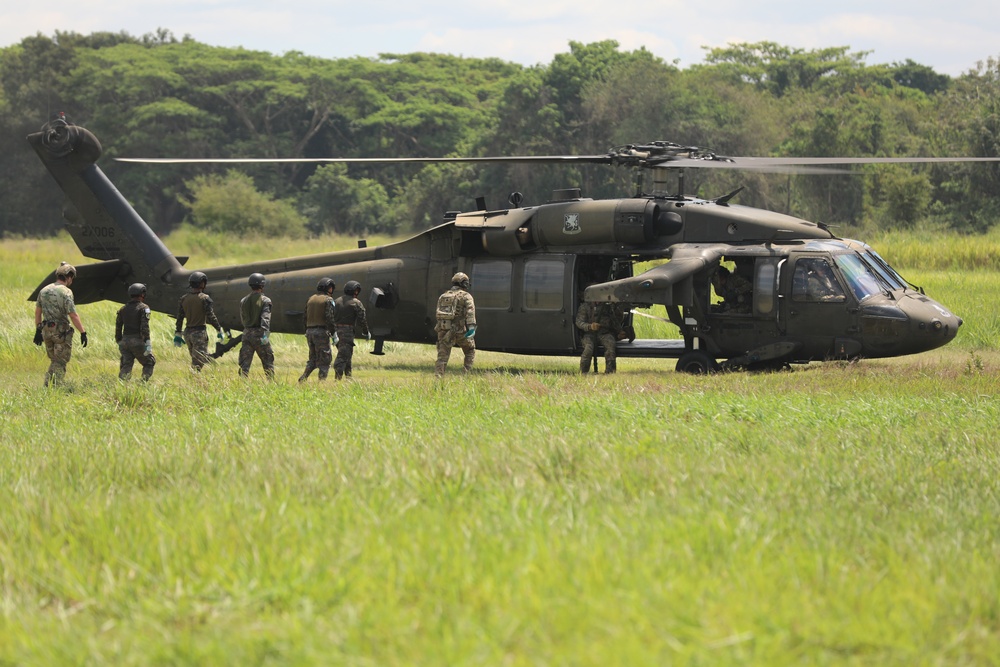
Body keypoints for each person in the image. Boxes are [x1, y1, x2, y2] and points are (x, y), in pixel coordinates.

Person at [33, 262, 88, 386]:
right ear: (68, 277)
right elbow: (73, 315)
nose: (71, 281)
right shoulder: (66, 292)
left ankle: (52, 386)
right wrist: (83, 332)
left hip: (46, 331)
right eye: (72, 279)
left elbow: (37, 313)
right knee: (61, 361)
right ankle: (52, 386)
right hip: (60, 332)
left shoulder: (44, 290)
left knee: (55, 360)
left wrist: (38, 330)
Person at [175, 271, 227, 371]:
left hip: (187, 333)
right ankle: (194, 380)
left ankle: (195, 378)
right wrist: (219, 329)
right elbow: (211, 316)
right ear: (202, 283)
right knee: (198, 361)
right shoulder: (204, 298)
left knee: (195, 358)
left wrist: (178, 333)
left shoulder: (183, 298)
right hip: (199, 333)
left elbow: (180, 318)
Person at [434, 272, 477, 377]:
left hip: (444, 330)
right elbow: (470, 313)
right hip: (460, 330)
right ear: (464, 284)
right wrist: (471, 328)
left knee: (442, 357)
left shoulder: (443, 296)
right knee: (470, 350)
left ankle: (438, 378)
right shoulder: (466, 296)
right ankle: (466, 374)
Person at [298, 277, 337, 382]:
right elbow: (330, 318)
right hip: (321, 332)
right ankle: (322, 381)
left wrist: (306, 330)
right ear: (328, 288)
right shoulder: (328, 300)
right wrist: (334, 333)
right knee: (325, 359)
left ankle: (304, 377)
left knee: (313, 358)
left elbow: (304, 317)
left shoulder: (310, 299)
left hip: (309, 331)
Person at [115, 282, 155, 381]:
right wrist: (147, 343)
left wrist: (119, 340)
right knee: (149, 362)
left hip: (124, 342)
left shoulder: (123, 309)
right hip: (137, 341)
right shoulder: (144, 308)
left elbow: (118, 326)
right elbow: (144, 327)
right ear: (142, 293)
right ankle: (143, 383)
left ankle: (122, 386)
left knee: (126, 364)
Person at [239, 272, 275, 379]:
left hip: (246, 334)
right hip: (260, 334)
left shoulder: (243, 300)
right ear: (262, 285)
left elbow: (243, 318)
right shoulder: (265, 300)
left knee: (244, 363)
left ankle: (241, 383)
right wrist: (266, 337)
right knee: (268, 361)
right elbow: (265, 320)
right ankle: (271, 383)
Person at [332, 280, 370, 380]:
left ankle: (348, 378)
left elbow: (329, 316)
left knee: (346, 355)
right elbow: (362, 319)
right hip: (347, 332)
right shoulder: (356, 303)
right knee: (343, 357)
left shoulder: (336, 301)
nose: (357, 293)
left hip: (336, 331)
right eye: (356, 291)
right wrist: (366, 332)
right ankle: (337, 380)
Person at [575, 298, 623, 374]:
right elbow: (579, 322)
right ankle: (584, 372)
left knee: (610, 348)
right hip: (589, 334)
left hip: (604, 333)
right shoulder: (585, 306)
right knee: (588, 349)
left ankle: (610, 372)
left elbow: (614, 320)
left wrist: (620, 331)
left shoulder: (607, 306)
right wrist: (590, 326)